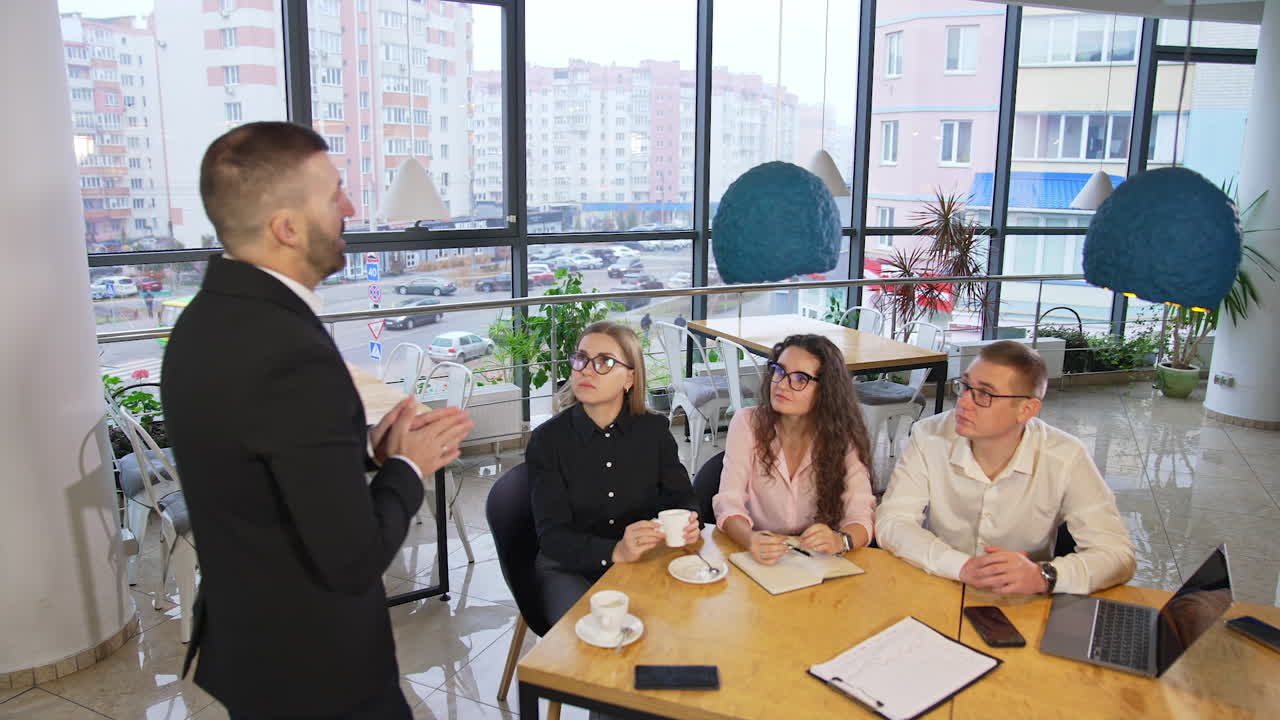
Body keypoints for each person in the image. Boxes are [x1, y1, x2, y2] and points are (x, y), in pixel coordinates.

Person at [161, 121, 474, 719]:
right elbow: (353, 558)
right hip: (317, 674)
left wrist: (368, 455)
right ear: (287, 227)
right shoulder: (291, 352)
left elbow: (259, 465)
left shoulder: (202, 321)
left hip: (251, 648)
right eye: (334, 194)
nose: (351, 207)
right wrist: (409, 467)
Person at [876, 341, 1135, 595]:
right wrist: (961, 566)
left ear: (1026, 410)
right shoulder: (929, 435)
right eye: (965, 386)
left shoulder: (1066, 456)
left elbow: (1117, 555)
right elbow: (893, 521)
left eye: (985, 394)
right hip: (941, 582)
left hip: (1023, 598)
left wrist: (1044, 576)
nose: (964, 403)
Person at [527, 320, 699, 624]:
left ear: (629, 378)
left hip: (644, 560)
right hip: (570, 568)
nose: (586, 370)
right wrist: (615, 550)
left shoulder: (654, 430)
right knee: (592, 645)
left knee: (686, 626)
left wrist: (685, 522)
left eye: (604, 362)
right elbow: (552, 537)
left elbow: (682, 498)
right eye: (581, 358)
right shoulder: (548, 441)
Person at [714, 334, 877, 564]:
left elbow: (861, 512)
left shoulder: (844, 435)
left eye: (800, 379)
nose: (781, 384)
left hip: (818, 560)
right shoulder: (746, 423)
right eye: (779, 371)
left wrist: (842, 541)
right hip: (761, 556)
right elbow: (728, 502)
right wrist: (750, 539)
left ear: (825, 390)